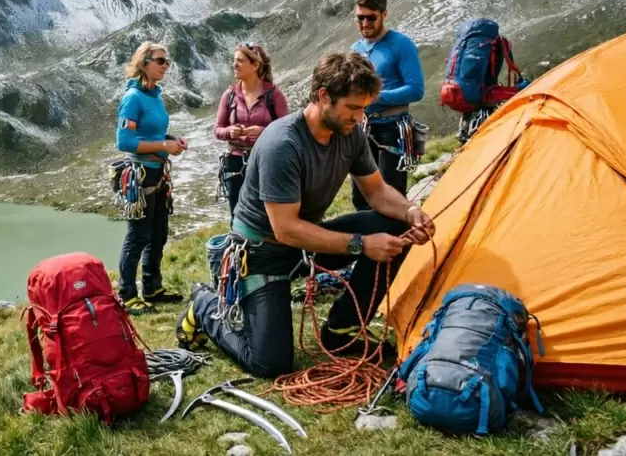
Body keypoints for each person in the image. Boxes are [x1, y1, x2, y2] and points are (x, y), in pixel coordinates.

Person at [175, 51, 436, 379]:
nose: (359, 118)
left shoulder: (350, 132)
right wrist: (362, 244)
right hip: (260, 253)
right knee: (269, 363)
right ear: (324, 96)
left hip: (301, 242)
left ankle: (342, 331)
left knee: (396, 226)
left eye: (363, 108)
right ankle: (204, 305)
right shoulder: (282, 144)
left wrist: (411, 211)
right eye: (353, 108)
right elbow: (285, 230)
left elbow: (376, 191)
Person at [114, 41, 188, 315]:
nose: (165, 66)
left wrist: (171, 142)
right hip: (140, 175)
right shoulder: (133, 98)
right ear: (144, 63)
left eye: (167, 62)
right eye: (160, 61)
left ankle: (152, 287)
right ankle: (127, 294)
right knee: (138, 236)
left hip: (157, 173)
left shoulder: (155, 95)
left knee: (158, 234)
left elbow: (151, 135)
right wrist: (164, 147)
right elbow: (125, 140)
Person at [348, 0, 425, 210]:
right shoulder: (355, 49)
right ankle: (366, 243)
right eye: (359, 18)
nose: (364, 24)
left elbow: (416, 89)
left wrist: (375, 97)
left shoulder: (401, 45)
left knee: (391, 194)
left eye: (370, 18)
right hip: (363, 129)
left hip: (393, 130)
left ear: (384, 14)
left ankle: (396, 243)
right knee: (360, 195)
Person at [213, 43, 290, 223]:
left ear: (255, 66)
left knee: (266, 213)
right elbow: (218, 129)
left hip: (266, 160)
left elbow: (287, 130)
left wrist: (264, 132)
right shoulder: (229, 95)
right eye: (234, 61)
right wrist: (230, 132)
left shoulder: (274, 95)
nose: (235, 65)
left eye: (240, 61)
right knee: (236, 214)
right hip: (235, 162)